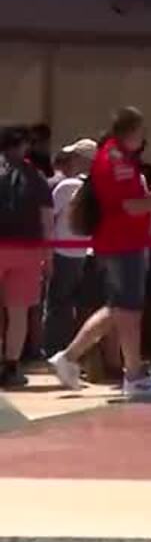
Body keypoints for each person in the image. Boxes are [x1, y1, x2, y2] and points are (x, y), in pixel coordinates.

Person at [49, 108, 151, 399]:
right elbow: (130, 206)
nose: (144, 137)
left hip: (122, 242)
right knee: (129, 310)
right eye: (141, 131)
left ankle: (68, 357)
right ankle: (134, 377)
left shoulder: (117, 157)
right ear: (131, 131)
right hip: (123, 244)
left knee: (118, 308)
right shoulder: (117, 160)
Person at [0, 128, 54, 389]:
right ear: (22, 146)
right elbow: (47, 220)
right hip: (28, 249)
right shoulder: (35, 176)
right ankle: (11, 367)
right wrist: (49, 257)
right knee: (18, 311)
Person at [41, 140, 95, 356]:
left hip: (63, 252)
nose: (71, 161)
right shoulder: (97, 188)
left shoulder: (68, 186)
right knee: (79, 305)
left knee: (57, 305)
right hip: (87, 253)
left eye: (75, 157)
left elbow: (48, 219)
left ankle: (54, 349)